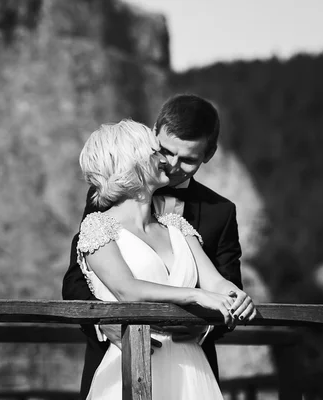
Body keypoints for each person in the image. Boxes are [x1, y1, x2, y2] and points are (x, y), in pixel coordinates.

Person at [62, 94, 249, 398]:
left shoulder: (219, 212)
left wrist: (204, 328)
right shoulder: (103, 203)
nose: (172, 165)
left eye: (187, 159)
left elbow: (225, 281)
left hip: (190, 367)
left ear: (209, 154)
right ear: (154, 136)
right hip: (121, 358)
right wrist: (104, 322)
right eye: (165, 151)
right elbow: (77, 278)